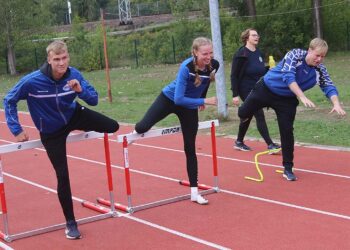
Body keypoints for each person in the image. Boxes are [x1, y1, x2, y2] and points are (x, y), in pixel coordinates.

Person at [3, 40, 119, 239]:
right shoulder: (32, 81)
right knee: (63, 176)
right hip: (51, 130)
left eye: (64, 58)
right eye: (56, 59)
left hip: (73, 116)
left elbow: (94, 100)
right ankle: (71, 223)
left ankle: (79, 125)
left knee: (113, 126)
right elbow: (9, 99)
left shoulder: (74, 74)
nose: (61, 63)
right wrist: (16, 129)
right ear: (49, 60)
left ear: (68, 57)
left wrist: (79, 89)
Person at [238, 38, 346, 181]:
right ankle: (244, 117)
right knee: (242, 113)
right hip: (266, 88)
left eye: (323, 56)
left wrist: (336, 103)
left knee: (287, 131)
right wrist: (302, 97)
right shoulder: (295, 55)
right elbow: (288, 77)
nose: (319, 59)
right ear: (310, 50)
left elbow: (328, 86)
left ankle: (288, 168)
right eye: (317, 55)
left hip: (287, 100)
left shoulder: (320, 69)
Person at [133, 37, 218, 205]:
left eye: (210, 53)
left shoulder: (214, 64)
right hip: (170, 99)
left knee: (190, 148)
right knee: (142, 127)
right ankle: (135, 132)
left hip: (189, 107)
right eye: (204, 54)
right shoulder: (186, 68)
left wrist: (200, 97)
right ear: (195, 52)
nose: (208, 57)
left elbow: (206, 81)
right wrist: (204, 101)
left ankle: (195, 192)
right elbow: (179, 99)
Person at [231, 28, 280, 152]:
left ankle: (239, 141)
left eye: (257, 35)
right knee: (258, 113)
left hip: (257, 87)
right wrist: (235, 94)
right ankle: (270, 144)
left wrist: (270, 68)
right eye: (253, 35)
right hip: (245, 89)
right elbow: (234, 75)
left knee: (247, 114)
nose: (256, 37)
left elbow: (259, 70)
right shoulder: (242, 53)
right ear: (247, 38)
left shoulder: (258, 52)